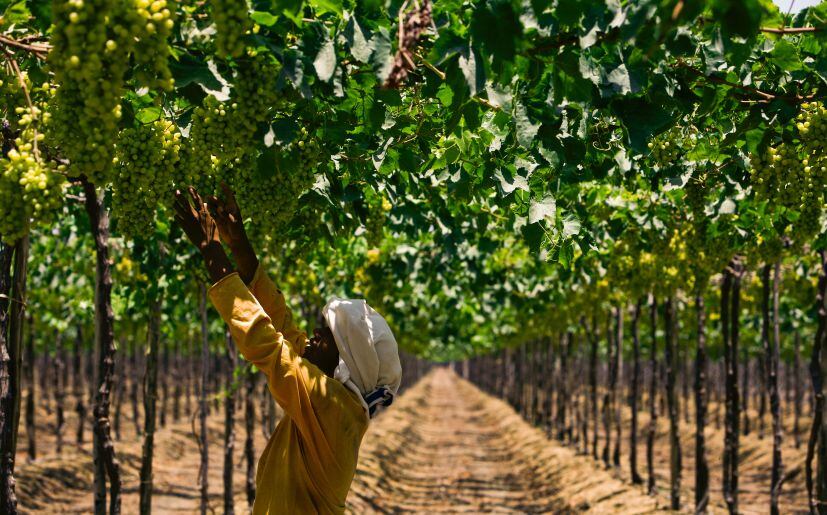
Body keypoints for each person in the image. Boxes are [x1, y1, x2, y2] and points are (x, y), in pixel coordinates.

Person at [173, 184, 402, 514]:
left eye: (325, 335)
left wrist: (212, 250)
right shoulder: (336, 402)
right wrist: (240, 245)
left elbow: (267, 343)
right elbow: (283, 325)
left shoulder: (330, 405)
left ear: (345, 363)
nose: (312, 334)